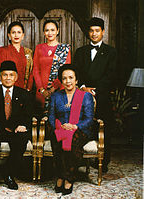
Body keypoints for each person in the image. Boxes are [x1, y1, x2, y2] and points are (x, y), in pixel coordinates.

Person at [0, 61, 33, 191]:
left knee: (21, 140)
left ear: (16, 77)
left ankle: (8, 174)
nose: (8, 78)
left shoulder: (24, 94)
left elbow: (29, 113)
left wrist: (23, 125)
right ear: (0, 77)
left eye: (11, 75)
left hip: (14, 129)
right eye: (5, 75)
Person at [73, 17, 117, 173]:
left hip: (102, 96)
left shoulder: (111, 52)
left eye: (97, 31)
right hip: (82, 96)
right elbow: (76, 72)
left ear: (103, 32)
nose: (94, 33)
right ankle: (77, 158)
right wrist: (84, 87)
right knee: (80, 126)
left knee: (104, 128)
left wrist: (96, 90)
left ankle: (103, 162)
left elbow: (111, 75)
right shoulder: (80, 52)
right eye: (91, 31)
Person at [48, 64, 94, 195]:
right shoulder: (56, 96)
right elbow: (51, 116)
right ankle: (60, 176)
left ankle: (68, 178)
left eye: (71, 78)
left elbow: (89, 119)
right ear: (61, 81)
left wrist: (75, 126)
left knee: (73, 140)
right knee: (57, 140)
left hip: (80, 130)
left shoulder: (85, 96)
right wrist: (59, 127)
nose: (68, 81)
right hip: (60, 128)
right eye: (64, 78)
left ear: (76, 80)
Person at [33, 19, 71, 117]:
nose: (50, 33)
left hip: (59, 89)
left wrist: (53, 88)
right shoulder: (39, 48)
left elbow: (65, 72)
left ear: (57, 31)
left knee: (57, 120)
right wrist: (41, 90)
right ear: (44, 32)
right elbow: (35, 70)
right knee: (41, 120)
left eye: (52, 30)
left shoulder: (64, 49)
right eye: (47, 30)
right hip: (41, 91)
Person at [0, 21, 33, 90]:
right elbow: (0, 72)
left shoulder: (28, 52)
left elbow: (31, 73)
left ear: (23, 35)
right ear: (9, 35)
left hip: (25, 89)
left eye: (19, 32)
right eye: (13, 32)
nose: (16, 35)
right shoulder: (3, 50)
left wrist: (28, 88)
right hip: (9, 89)